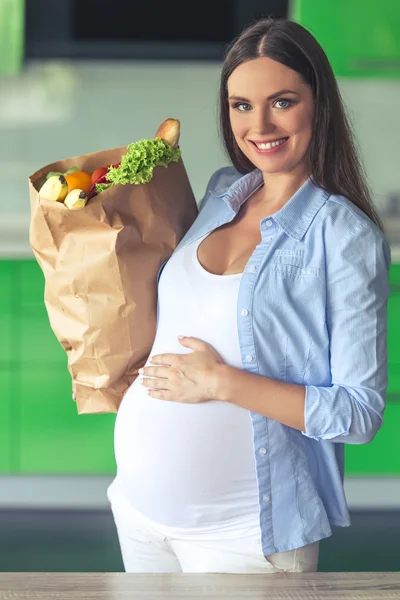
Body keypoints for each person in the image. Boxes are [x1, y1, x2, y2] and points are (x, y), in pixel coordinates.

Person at [107, 17, 391, 574]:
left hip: (243, 534)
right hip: (138, 511)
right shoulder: (218, 195)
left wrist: (221, 382)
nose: (258, 123)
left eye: (282, 101)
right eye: (241, 105)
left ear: (319, 105)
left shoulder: (345, 237)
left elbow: (359, 414)